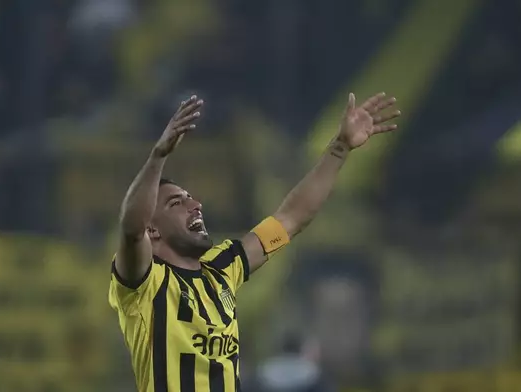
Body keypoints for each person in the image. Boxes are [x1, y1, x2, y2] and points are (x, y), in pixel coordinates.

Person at [108, 92, 400, 392]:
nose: (194, 205)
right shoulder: (143, 284)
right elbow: (132, 229)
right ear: (153, 231)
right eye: (175, 204)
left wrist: (339, 149)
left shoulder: (224, 267)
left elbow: (290, 219)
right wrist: (157, 158)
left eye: (191, 199)